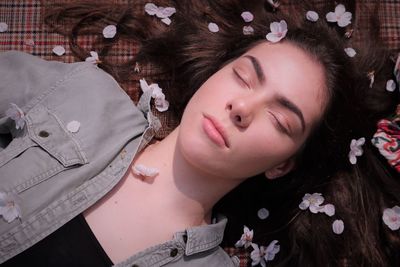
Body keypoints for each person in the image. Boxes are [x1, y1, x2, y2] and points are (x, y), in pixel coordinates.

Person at [0, 0, 398, 266]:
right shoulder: (85, 96)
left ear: (282, 165)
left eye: (280, 120)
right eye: (244, 77)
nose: (242, 109)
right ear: (214, 75)